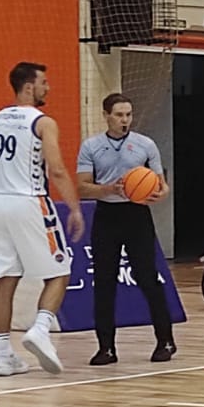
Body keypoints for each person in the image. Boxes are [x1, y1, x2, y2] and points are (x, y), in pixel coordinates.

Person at [0, 61, 84, 377]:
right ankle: (40, 328)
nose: (48, 87)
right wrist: (75, 208)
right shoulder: (42, 122)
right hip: (28, 200)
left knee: (6, 279)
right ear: (29, 86)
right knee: (60, 270)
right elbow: (56, 169)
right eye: (44, 82)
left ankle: (2, 356)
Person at [74, 93, 176, 367]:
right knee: (104, 283)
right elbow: (82, 186)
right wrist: (109, 189)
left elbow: (162, 185)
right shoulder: (91, 146)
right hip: (107, 215)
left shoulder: (145, 144)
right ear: (106, 115)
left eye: (128, 114)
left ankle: (165, 340)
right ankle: (106, 348)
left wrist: (160, 193)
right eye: (119, 115)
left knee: (148, 278)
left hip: (136, 214)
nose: (125, 120)